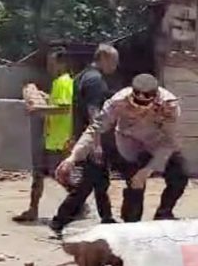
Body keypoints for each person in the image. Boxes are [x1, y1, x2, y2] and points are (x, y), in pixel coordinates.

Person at [56, 74, 188, 222]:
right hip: (130, 143)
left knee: (180, 176)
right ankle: (130, 223)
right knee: (135, 183)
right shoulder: (118, 101)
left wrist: (148, 170)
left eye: (144, 105)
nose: (139, 110)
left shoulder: (169, 105)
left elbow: (169, 142)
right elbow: (95, 129)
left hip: (158, 143)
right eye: (135, 104)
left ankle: (164, 213)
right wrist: (74, 156)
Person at [48, 44, 119, 233]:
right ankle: (58, 221)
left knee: (100, 181)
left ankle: (107, 219)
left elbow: (77, 111)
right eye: (114, 60)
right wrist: (95, 145)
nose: (116, 65)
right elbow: (93, 112)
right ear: (103, 57)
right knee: (85, 186)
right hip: (91, 140)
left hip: (83, 136)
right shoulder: (96, 80)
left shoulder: (81, 77)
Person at [13, 50, 80, 222]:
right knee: (39, 174)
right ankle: (33, 210)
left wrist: (39, 109)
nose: (49, 67)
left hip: (58, 139)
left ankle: (80, 205)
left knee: (60, 176)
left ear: (63, 63)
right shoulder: (59, 82)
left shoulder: (65, 82)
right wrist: (46, 98)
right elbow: (60, 104)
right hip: (51, 137)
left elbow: (65, 108)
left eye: (52, 63)